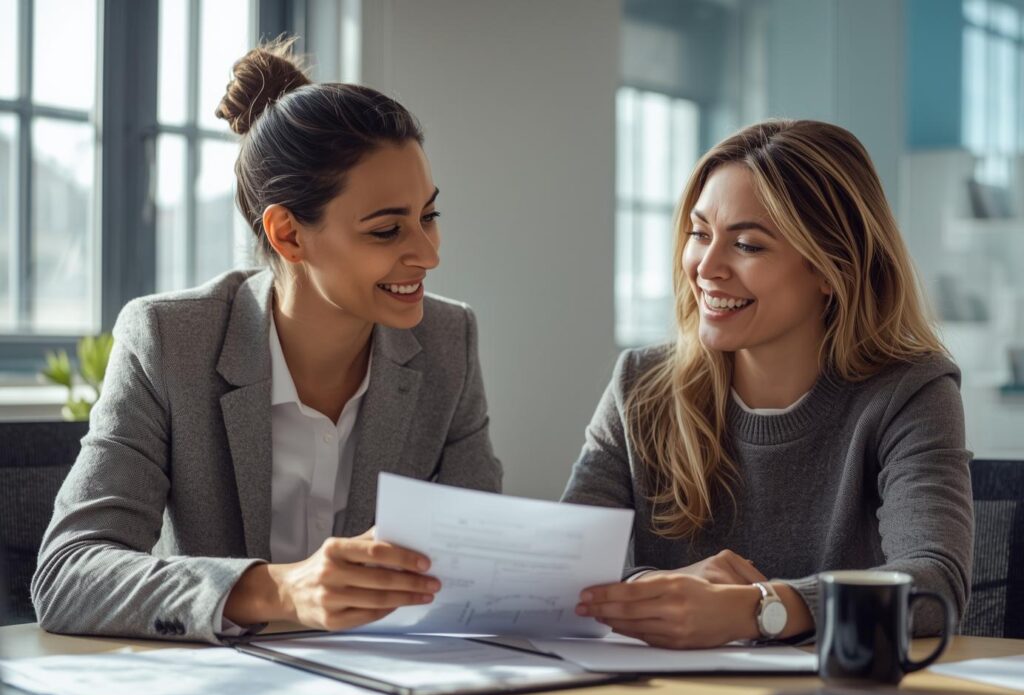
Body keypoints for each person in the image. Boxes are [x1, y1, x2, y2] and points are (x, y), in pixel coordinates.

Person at [31, 39, 501, 643]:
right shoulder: (169, 341)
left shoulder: (447, 340)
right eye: (387, 229)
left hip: (385, 692)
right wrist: (280, 590)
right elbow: (69, 574)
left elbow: (485, 554)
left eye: (428, 216)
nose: (429, 253)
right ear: (289, 234)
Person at [566, 119, 972, 649]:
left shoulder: (911, 393)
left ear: (832, 269)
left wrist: (759, 610)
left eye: (748, 245)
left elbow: (933, 587)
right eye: (699, 233)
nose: (707, 267)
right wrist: (656, 591)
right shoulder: (639, 386)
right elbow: (560, 570)